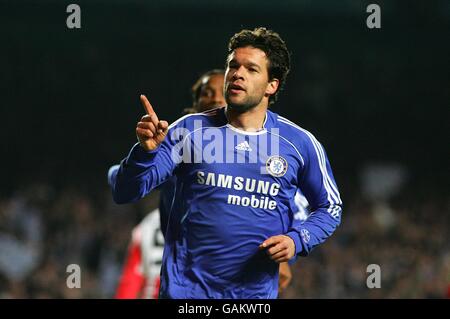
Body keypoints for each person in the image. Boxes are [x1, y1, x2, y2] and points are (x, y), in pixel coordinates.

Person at [110, 27, 342, 298]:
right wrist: (144, 152)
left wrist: (298, 239)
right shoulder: (188, 131)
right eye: (233, 65)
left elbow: (330, 207)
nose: (237, 74)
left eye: (251, 69)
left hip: (252, 298)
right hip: (187, 296)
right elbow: (125, 192)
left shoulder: (299, 144)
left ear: (272, 85)